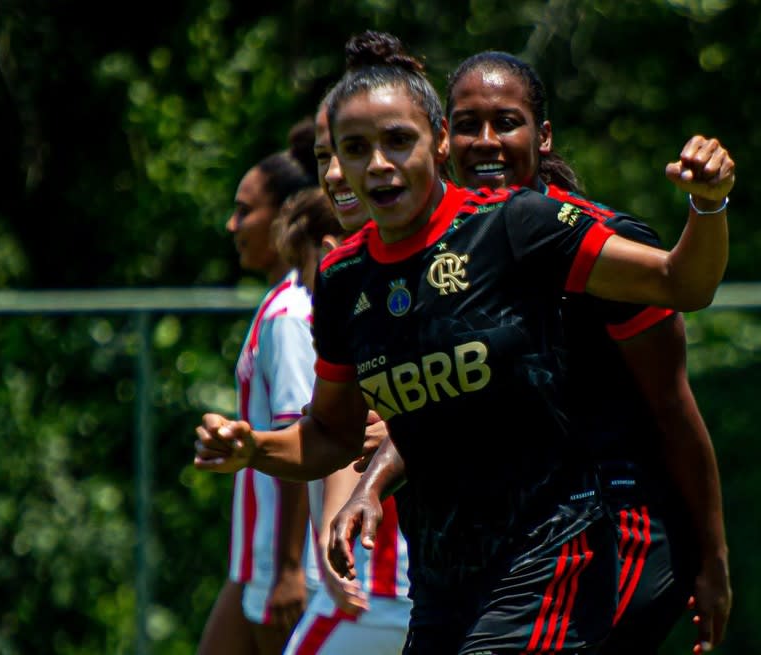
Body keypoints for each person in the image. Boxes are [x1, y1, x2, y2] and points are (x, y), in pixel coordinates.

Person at [193, 29, 733, 654]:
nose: (377, 164)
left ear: (435, 142)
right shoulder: (345, 278)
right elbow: (339, 433)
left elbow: (682, 288)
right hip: (443, 576)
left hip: (558, 551)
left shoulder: (523, 227)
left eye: (398, 141)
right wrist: (253, 446)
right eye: (353, 148)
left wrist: (708, 204)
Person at [279, 100, 413, 655]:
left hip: (390, 584)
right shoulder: (351, 279)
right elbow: (340, 428)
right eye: (324, 156)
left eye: (350, 150)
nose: (336, 173)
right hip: (391, 579)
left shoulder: (440, 259)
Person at [196, 148, 317, 655]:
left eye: (246, 210)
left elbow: (301, 440)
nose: (233, 224)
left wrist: (290, 568)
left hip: (281, 566)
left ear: (285, 215)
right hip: (254, 560)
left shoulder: (289, 314)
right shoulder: (278, 302)